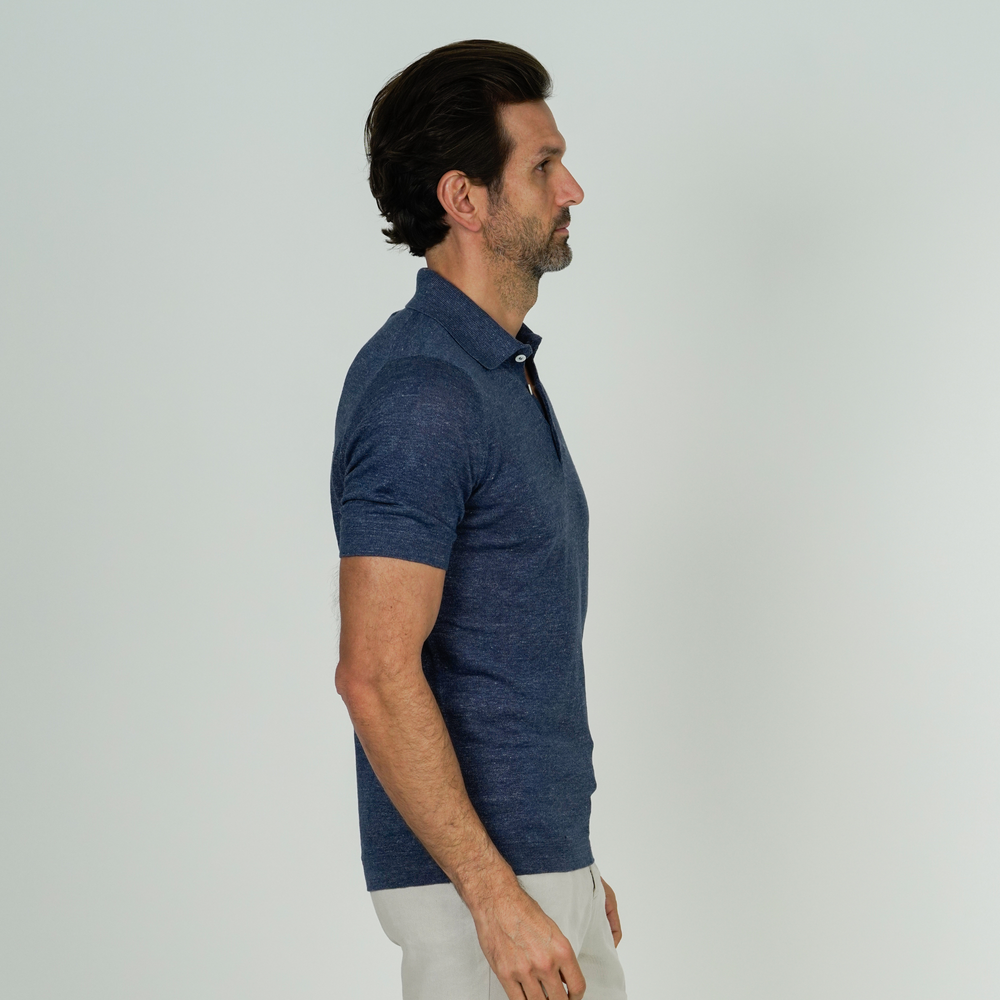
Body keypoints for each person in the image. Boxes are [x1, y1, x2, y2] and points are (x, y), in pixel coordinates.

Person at [331, 39, 627, 1000]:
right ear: (464, 198)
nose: (572, 189)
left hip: (537, 875)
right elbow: (375, 672)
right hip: (483, 903)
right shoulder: (425, 390)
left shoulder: (493, 371)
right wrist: (498, 897)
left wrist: (566, 867)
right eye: (543, 166)